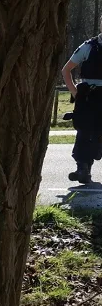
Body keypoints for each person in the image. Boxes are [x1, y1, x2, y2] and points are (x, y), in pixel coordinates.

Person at [62, 20, 102, 184]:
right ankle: (82, 169)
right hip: (88, 97)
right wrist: (74, 92)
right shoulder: (89, 46)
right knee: (84, 132)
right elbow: (66, 70)